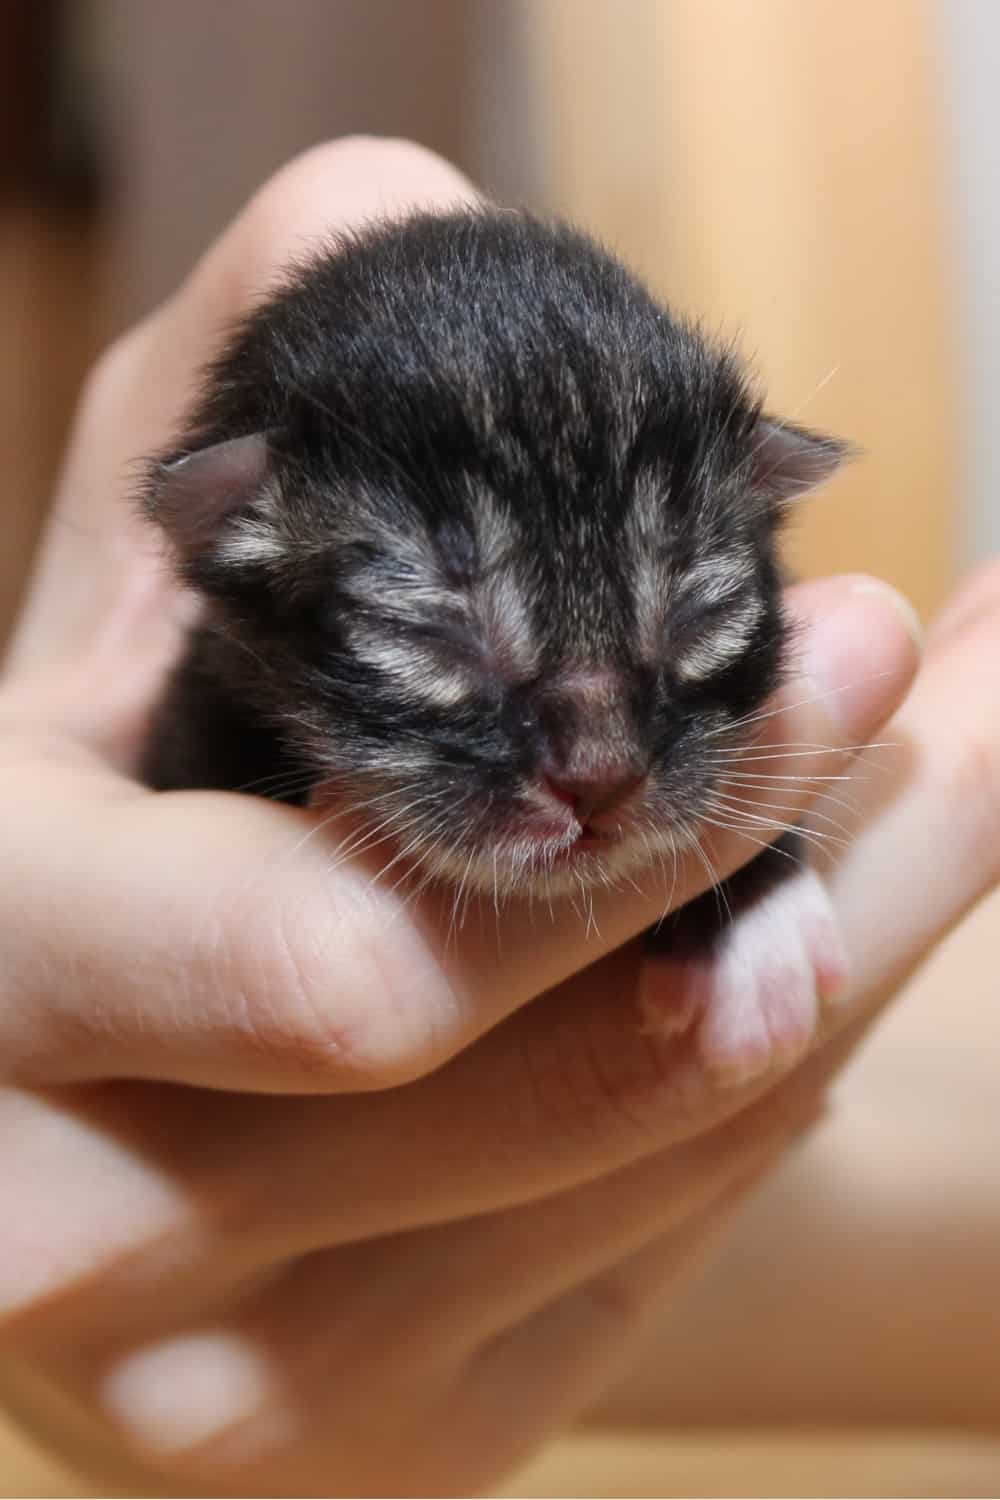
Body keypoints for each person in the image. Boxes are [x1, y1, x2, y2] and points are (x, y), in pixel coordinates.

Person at [0, 138, 992, 1496]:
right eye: (439, 635)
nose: (600, 761)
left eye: (695, 618)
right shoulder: (185, 763)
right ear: (234, 536)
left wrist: (753, 870)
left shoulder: (727, 726)